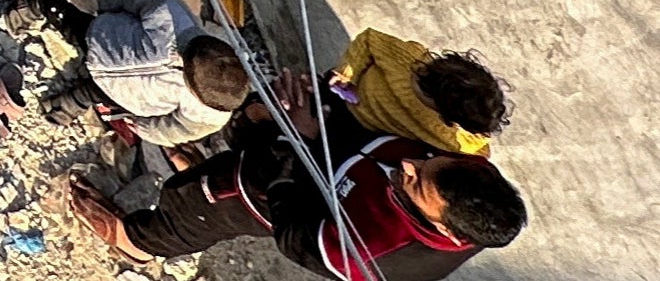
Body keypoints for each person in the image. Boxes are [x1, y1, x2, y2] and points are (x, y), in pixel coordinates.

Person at [91, 124, 526, 276]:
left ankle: (135, 242)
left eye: (416, 184)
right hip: (287, 158)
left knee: (191, 215)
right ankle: (198, 178)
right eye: (428, 163)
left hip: (257, 197)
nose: (410, 163)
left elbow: (296, 238)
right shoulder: (468, 175)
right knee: (207, 177)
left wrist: (290, 156)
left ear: (445, 229)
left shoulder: (375, 256)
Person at [13, 0, 253, 152]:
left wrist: (141, 127)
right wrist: (105, 2)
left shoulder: (210, 115)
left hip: (127, 94)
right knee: (69, 20)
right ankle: (36, 0)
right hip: (102, 40)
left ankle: (63, 106)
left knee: (92, 94)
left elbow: (173, 130)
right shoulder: (173, 16)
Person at [330, 30, 508, 156]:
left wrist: (345, 74)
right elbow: (480, 153)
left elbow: (368, 39)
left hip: (346, 100)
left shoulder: (409, 59)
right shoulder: (449, 138)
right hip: (360, 129)